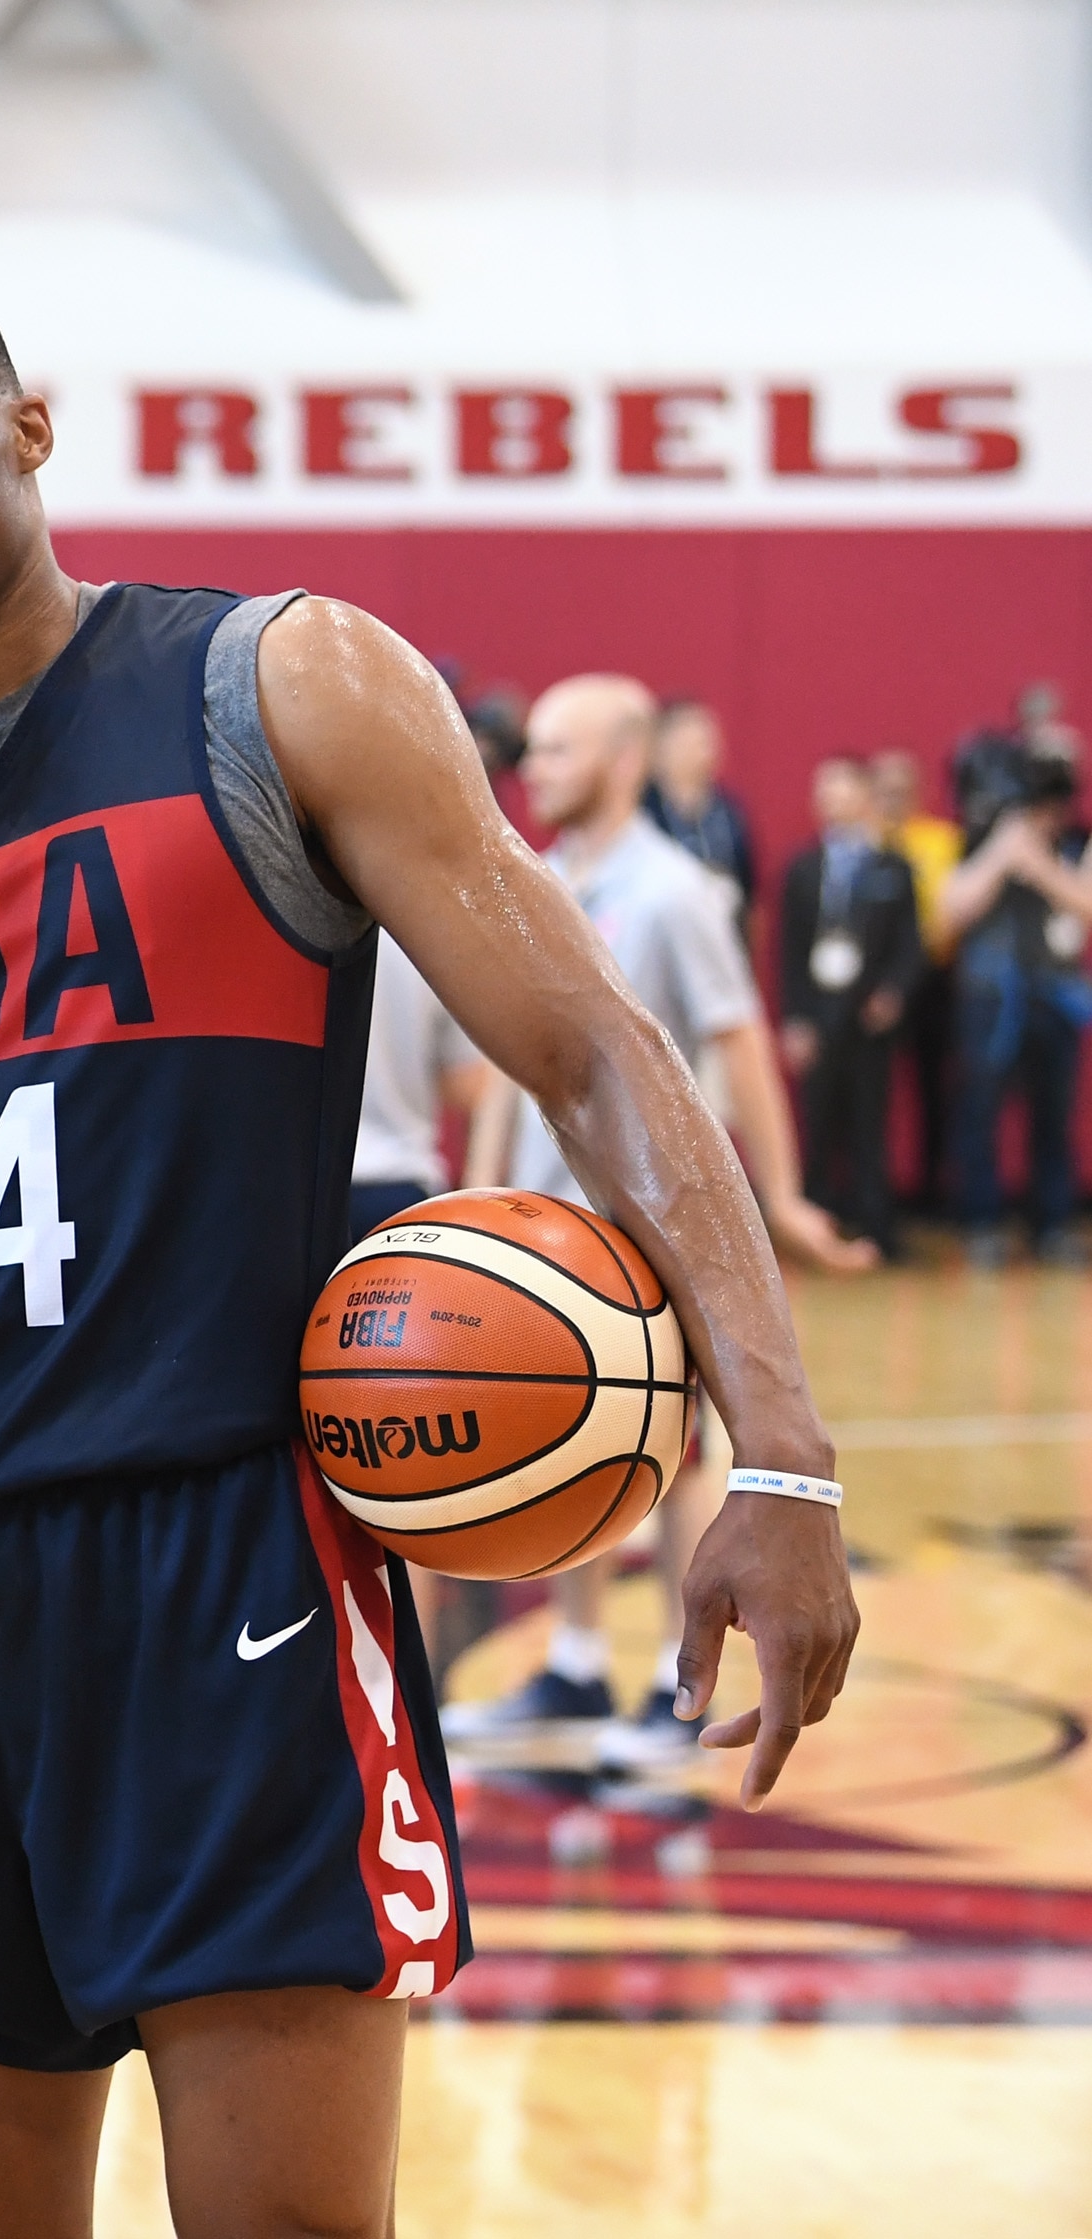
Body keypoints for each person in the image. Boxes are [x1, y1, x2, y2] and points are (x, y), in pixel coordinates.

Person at [0, 272, 859, 2239]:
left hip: (230, 1561)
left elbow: (591, 1051)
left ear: (29, 431)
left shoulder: (277, 680)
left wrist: (780, 1454)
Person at [451, 676, 871, 1775]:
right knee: (569, 1443)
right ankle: (577, 1661)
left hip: (649, 1226)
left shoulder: (678, 891)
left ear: (626, 755)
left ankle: (676, 1688)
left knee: (671, 1458)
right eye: (530, 748)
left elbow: (740, 1043)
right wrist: (479, 1196)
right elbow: (511, 1067)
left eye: (557, 747)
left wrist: (777, 1196)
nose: (531, 765)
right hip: (550, 1233)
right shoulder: (534, 881)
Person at [939, 745, 1092, 1267]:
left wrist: (1040, 865)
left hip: (1056, 998)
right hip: (991, 1001)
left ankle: (1052, 1224)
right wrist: (1002, 855)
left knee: (1055, 1115)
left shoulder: (1077, 844)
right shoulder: (983, 841)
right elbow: (951, 909)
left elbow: (1087, 906)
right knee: (979, 1113)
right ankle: (982, 1223)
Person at [778, 757, 925, 1257]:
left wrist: (894, 992)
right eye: (825, 791)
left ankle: (876, 1227)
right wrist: (795, 1019)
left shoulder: (892, 867)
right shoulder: (802, 870)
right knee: (817, 1125)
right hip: (819, 1016)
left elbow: (910, 944)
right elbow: (790, 950)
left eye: (843, 790)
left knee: (869, 1125)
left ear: (864, 797)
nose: (833, 801)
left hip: (870, 1019)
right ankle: (819, 1227)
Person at [348, 931, 491, 1242]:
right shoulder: (432, 933)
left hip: (295, 1190)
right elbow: (466, 1085)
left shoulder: (285, 905)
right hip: (399, 1184)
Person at [871, 746, 963, 1212]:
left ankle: (933, 1191)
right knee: (872, 1090)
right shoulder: (865, 845)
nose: (894, 798)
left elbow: (950, 912)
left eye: (902, 789)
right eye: (884, 789)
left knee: (936, 1089)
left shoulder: (941, 841)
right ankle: (872, 1197)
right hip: (874, 982)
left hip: (933, 978)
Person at [643, 697, 759, 938]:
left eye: (710, 741)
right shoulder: (641, 812)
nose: (708, 751)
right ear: (662, 748)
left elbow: (750, 894)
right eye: (696, 742)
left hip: (721, 935)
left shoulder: (729, 812)